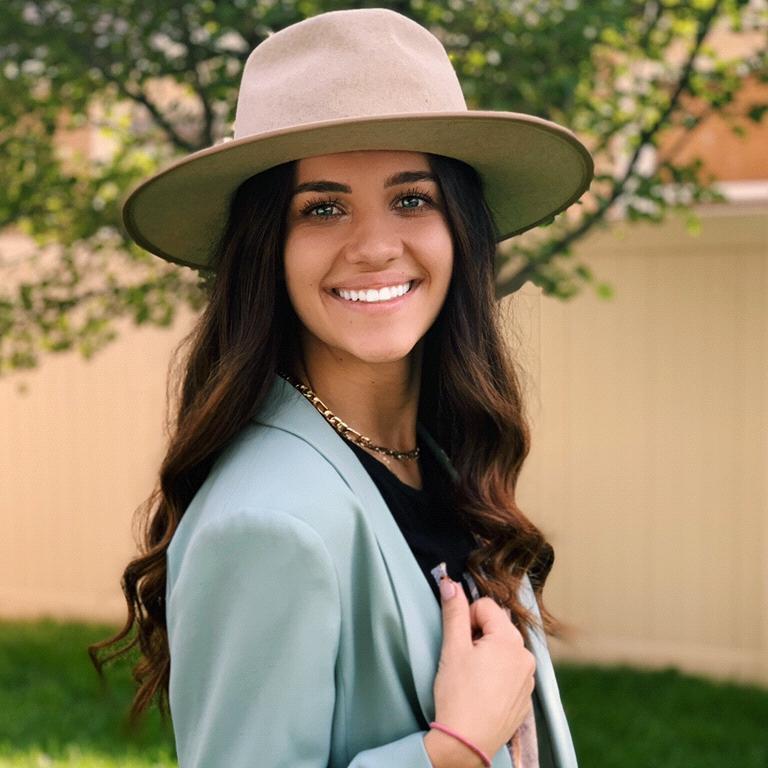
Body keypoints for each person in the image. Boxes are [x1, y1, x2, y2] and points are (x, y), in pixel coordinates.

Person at [91, 7, 593, 768]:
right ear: (268, 248)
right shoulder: (266, 525)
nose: (376, 246)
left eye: (412, 198)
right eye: (323, 208)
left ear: (458, 228)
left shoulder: (441, 458)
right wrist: (453, 749)